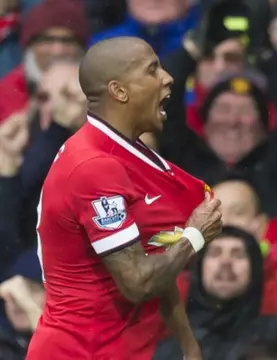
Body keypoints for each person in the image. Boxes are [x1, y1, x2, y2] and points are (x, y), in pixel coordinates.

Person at [26, 37, 224, 360]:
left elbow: (155, 258)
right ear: (119, 91)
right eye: (152, 70)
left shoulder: (123, 152)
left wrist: (189, 346)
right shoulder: (94, 167)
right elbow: (138, 282)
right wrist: (195, 235)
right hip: (80, 351)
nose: (168, 77)